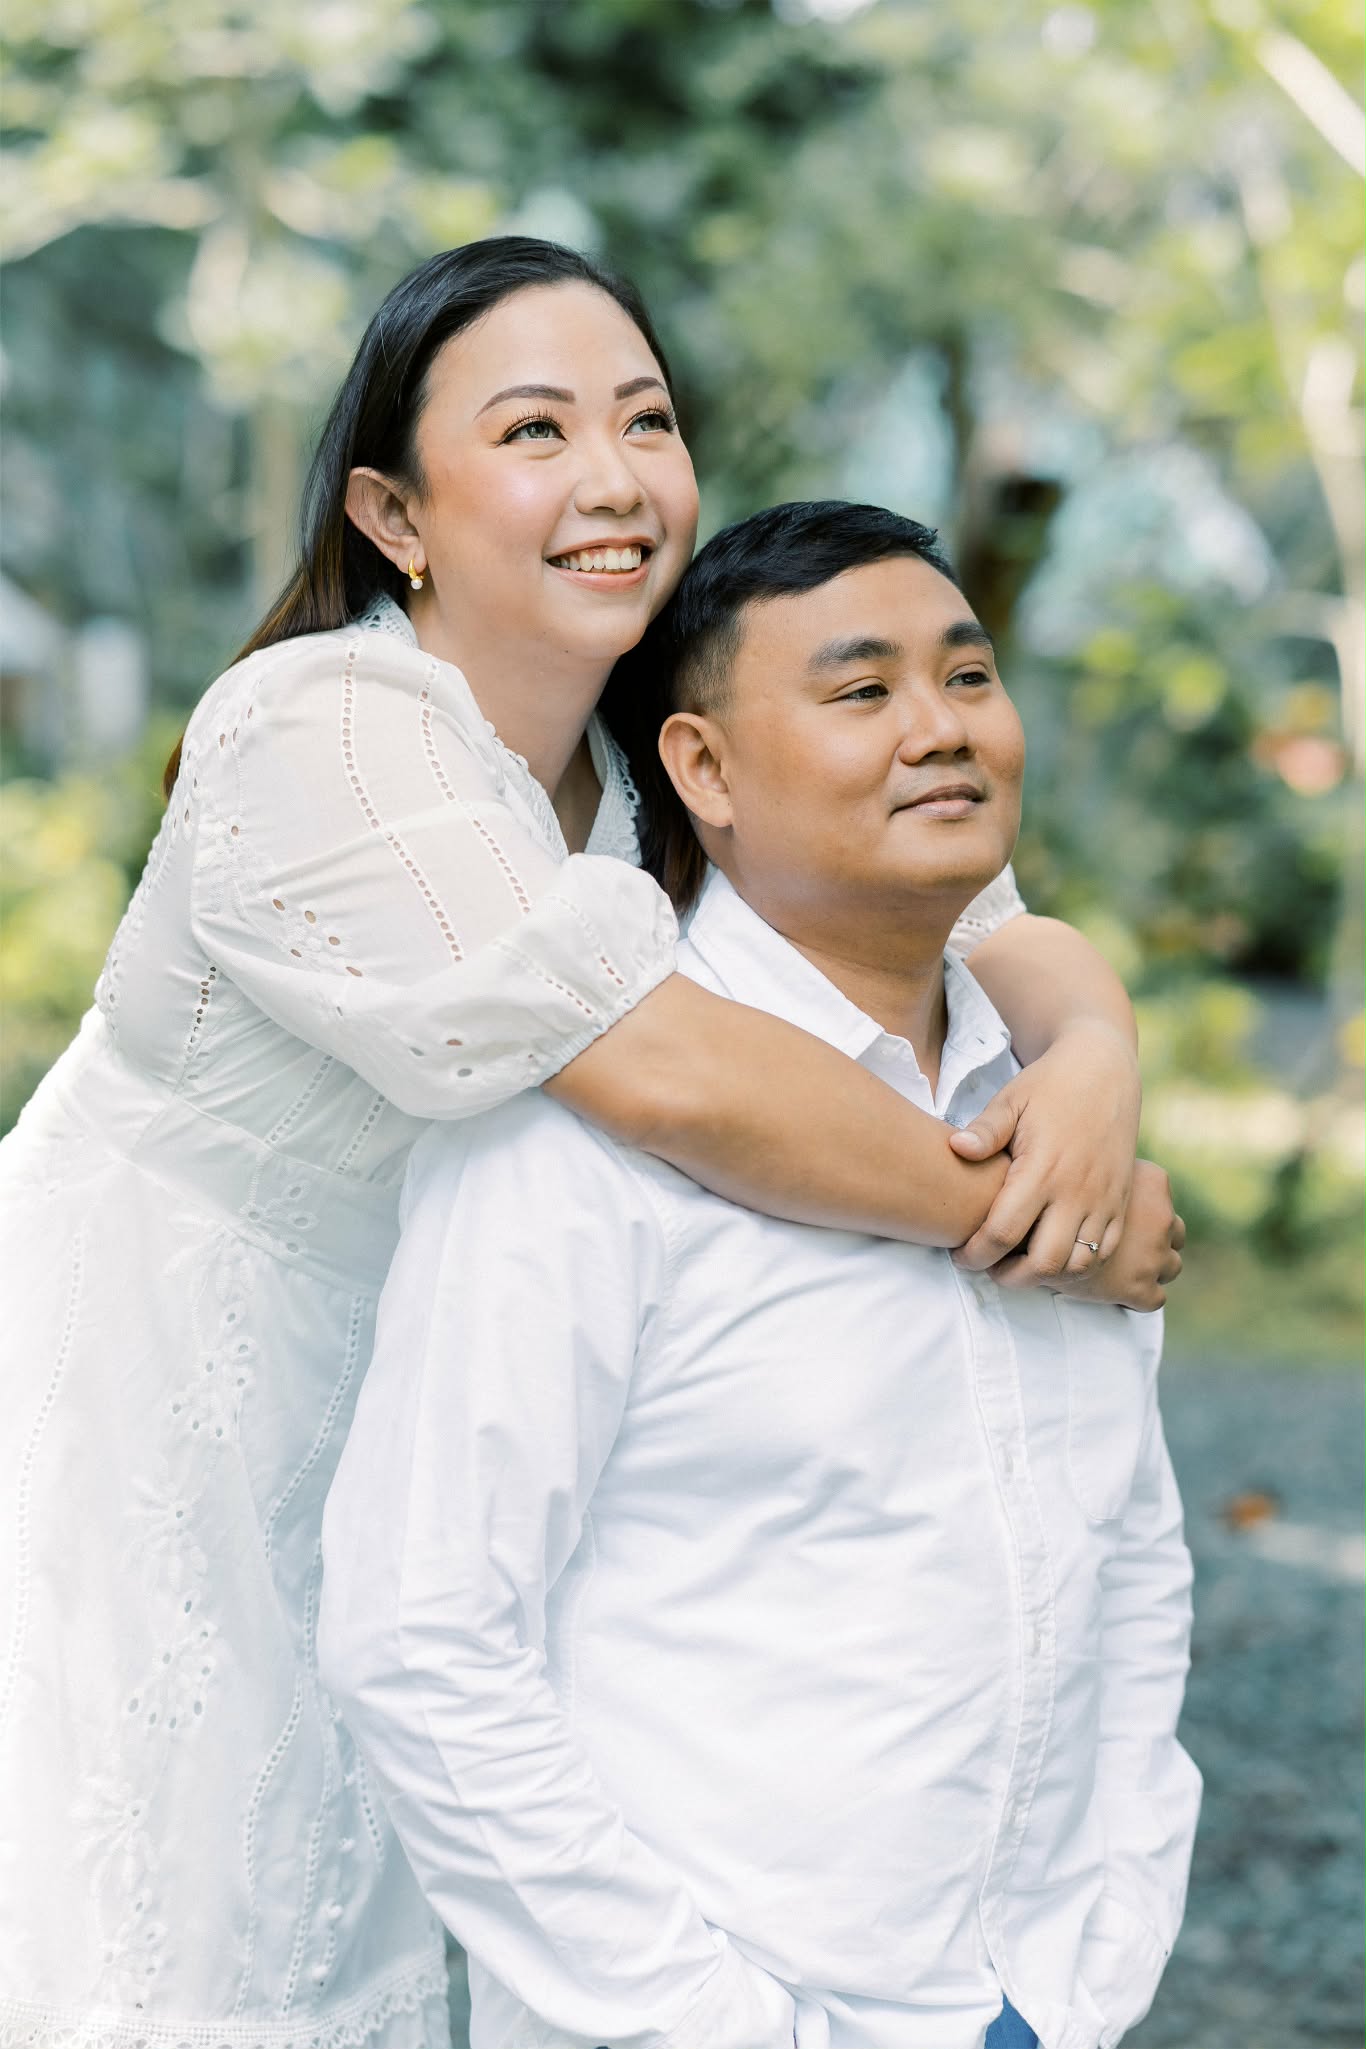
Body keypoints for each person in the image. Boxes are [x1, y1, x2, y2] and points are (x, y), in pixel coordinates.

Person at [0, 240, 1171, 2049]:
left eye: (645, 418)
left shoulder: (654, 738)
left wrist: (1091, 1063)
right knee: (179, 1950)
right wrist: (1051, 1217)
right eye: (534, 430)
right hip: (149, 1408)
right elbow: (671, 1078)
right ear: (395, 510)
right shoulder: (316, 729)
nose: (615, 478)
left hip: (443, 1382)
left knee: (486, 1881)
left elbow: (1000, 928)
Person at [319, 501, 1198, 2049]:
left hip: (1037, 1998)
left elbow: (1120, 1549)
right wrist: (716, 2021)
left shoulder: (1047, 1116)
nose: (936, 729)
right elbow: (420, 1633)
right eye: (859, 692)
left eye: (967, 678)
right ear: (702, 769)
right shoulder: (575, 1140)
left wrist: (1096, 1950)